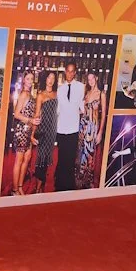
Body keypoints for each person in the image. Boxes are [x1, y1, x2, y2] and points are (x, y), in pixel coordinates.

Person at [55, 61, 85, 191]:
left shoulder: (81, 87)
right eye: (68, 71)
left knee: (71, 157)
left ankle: (69, 186)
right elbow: (57, 110)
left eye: (72, 71)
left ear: (75, 73)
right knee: (61, 157)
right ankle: (59, 185)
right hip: (61, 128)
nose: (70, 74)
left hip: (73, 128)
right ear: (65, 72)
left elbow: (83, 107)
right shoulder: (60, 89)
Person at [75, 72, 106, 189]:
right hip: (82, 127)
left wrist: (100, 132)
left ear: (96, 78)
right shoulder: (87, 93)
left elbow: (103, 115)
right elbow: (82, 111)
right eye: (88, 79)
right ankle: (79, 179)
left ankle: (87, 182)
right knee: (80, 152)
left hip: (92, 129)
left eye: (92, 78)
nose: (90, 81)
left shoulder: (101, 94)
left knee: (89, 154)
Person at [11, 71, 40, 195]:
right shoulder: (23, 94)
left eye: (32, 79)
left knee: (27, 159)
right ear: (23, 80)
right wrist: (30, 120)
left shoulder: (30, 94)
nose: (30, 81)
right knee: (19, 160)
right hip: (22, 130)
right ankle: (14, 190)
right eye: (28, 78)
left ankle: (20, 186)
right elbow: (16, 114)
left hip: (28, 131)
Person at [31, 71, 58, 193]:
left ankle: (41, 185)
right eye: (49, 77)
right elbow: (37, 115)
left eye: (53, 78)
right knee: (41, 158)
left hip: (53, 130)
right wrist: (32, 134)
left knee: (46, 158)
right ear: (45, 79)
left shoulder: (57, 94)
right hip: (43, 129)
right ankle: (38, 188)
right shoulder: (41, 95)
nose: (50, 80)